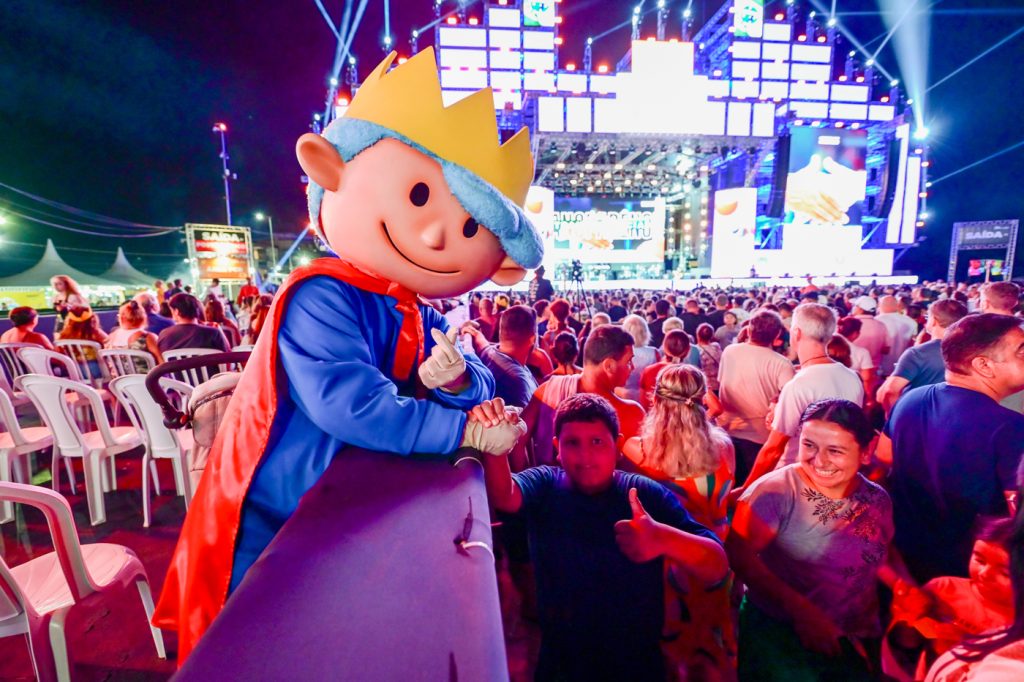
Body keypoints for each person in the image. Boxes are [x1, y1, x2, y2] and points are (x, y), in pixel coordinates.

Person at [155, 48, 543, 661]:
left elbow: (475, 375)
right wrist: (463, 429)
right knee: (255, 647)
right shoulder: (321, 294)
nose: (436, 235)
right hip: (276, 513)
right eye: (420, 195)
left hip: (344, 507)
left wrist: (453, 384)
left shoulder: (410, 305)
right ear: (328, 167)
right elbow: (353, 407)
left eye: (471, 229)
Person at [481, 393, 727, 682]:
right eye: (573, 443)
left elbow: (717, 564)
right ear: (557, 447)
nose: (585, 456)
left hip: (636, 662)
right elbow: (505, 496)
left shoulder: (643, 493)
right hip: (562, 660)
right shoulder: (545, 484)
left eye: (597, 442)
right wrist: (494, 444)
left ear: (617, 445)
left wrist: (663, 538)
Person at [728, 400, 908, 681]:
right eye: (809, 445)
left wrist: (903, 587)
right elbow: (739, 556)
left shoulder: (876, 498)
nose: (819, 460)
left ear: (866, 451)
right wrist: (802, 612)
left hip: (854, 634)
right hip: (781, 641)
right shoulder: (774, 493)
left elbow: (877, 550)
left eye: (835, 451)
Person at [877, 313, 1024, 583]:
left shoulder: (911, 399)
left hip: (907, 555)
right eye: (1021, 351)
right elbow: (1018, 517)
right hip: (970, 571)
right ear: (984, 365)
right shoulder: (1011, 428)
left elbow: (883, 457)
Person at [623, 364, 737, 679]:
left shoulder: (637, 451)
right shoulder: (724, 447)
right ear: (702, 399)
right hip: (713, 557)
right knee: (711, 641)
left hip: (666, 564)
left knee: (671, 643)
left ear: (656, 400)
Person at [743, 303, 864, 488]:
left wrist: (746, 489)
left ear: (796, 333)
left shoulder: (799, 385)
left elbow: (773, 450)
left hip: (795, 479)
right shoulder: (852, 377)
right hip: (834, 475)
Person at [886, 517, 1014, 680]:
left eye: (1004, 573)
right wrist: (907, 615)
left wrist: (966, 647)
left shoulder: (1018, 620)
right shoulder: (944, 589)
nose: (984, 573)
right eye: (980, 560)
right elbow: (907, 643)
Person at [518, 324, 645, 467]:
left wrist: (526, 477)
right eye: (629, 361)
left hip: (548, 480)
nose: (633, 367)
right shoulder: (632, 414)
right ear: (609, 366)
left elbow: (516, 440)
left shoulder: (547, 391)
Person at [717, 310, 795, 486]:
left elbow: (723, 383)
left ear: (749, 329)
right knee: (753, 490)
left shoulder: (730, 351)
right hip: (760, 439)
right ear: (777, 334)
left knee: (729, 489)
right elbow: (787, 401)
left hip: (727, 431)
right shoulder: (782, 363)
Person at [876, 299, 969, 412]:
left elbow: (889, 391)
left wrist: (893, 416)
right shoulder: (971, 351)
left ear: (934, 321)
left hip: (917, 414)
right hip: (952, 413)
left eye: (927, 317)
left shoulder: (918, 353)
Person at [461, 304, 538, 408]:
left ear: (501, 332)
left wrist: (475, 333)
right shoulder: (519, 384)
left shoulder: (489, 353)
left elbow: (483, 344)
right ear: (533, 338)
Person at [157, 293, 231, 353]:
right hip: (211, 368)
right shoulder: (213, 333)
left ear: (176, 311)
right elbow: (227, 358)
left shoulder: (164, 335)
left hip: (176, 368)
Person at [105, 299, 164, 366]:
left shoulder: (111, 338)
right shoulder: (147, 337)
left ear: (121, 318)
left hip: (118, 373)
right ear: (143, 317)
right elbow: (162, 362)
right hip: (147, 373)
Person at [877, 295, 919, 377]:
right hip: (902, 367)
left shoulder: (876, 322)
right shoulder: (911, 322)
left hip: (879, 369)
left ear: (880, 305)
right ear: (897, 305)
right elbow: (913, 344)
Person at [620, 314, 659, 404]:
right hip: (647, 397)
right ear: (645, 332)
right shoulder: (654, 352)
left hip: (624, 396)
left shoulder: (620, 352)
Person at [837, 316, 878, 401]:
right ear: (856, 333)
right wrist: (869, 399)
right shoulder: (862, 352)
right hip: (851, 394)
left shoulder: (826, 345)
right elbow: (867, 379)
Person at [850, 295, 889, 371]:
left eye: (855, 306)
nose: (853, 308)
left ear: (860, 309)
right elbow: (886, 350)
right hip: (873, 369)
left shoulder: (850, 323)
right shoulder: (881, 325)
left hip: (852, 368)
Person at [694, 323, 722, 393]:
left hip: (705, 385)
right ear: (712, 335)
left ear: (697, 335)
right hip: (718, 383)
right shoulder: (716, 347)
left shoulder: (695, 350)